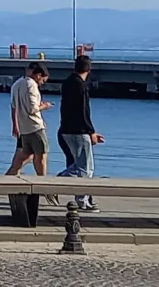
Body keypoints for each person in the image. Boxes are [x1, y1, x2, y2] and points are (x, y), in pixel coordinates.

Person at [59, 55, 104, 212]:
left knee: (78, 165)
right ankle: (58, 186)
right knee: (85, 168)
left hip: (65, 129)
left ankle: (56, 185)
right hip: (79, 131)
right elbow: (83, 111)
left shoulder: (68, 82)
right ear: (89, 70)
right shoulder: (81, 86)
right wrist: (91, 131)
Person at [6, 62, 54, 183]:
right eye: (43, 80)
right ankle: (42, 184)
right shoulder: (31, 85)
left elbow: (14, 106)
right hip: (35, 127)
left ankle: (6, 179)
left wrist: (15, 125)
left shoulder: (17, 84)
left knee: (25, 156)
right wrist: (45, 106)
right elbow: (32, 108)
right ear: (38, 75)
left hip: (24, 128)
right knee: (41, 156)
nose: (42, 83)